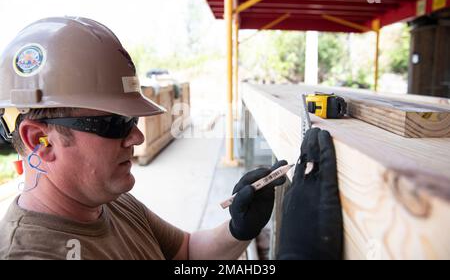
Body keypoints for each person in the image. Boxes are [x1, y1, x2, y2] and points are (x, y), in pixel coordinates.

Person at [0, 17, 342, 260]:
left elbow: (185, 252)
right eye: (114, 124)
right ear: (39, 142)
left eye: (131, 119)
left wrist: (239, 228)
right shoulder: (32, 253)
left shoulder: (109, 201)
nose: (135, 135)